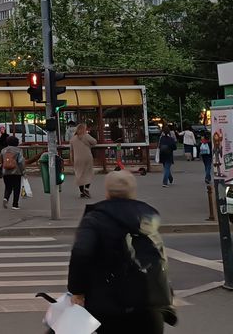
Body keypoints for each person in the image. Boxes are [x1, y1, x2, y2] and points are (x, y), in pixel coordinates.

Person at [67, 170, 175, 334]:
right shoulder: (148, 217)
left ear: (107, 192)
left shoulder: (96, 218)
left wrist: (77, 291)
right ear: (133, 191)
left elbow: (81, 253)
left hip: (109, 304)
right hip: (151, 300)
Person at [70, 123, 99, 199]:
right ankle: (86, 189)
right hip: (87, 157)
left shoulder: (73, 139)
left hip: (77, 159)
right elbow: (94, 142)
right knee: (88, 174)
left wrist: (71, 159)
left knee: (79, 174)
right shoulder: (86, 136)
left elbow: (71, 151)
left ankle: (81, 192)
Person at [0, 135, 25, 210]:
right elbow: (21, 162)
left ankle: (6, 198)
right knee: (16, 188)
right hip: (16, 172)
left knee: (8, 187)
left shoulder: (3, 150)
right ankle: (15, 205)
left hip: (5, 171)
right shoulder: (18, 150)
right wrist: (23, 171)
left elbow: (0, 162)